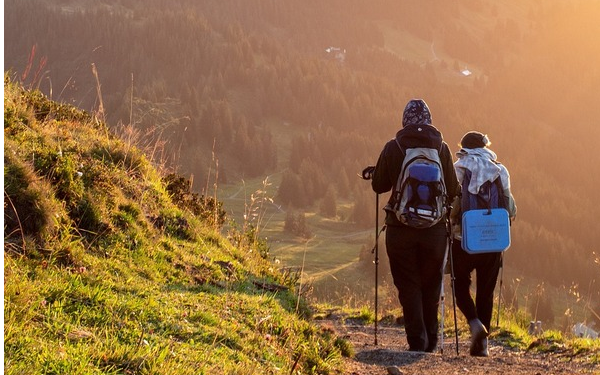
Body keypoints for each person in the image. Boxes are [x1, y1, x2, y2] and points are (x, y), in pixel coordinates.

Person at [370, 99, 459, 352]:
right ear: (429, 120)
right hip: (435, 232)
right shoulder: (441, 149)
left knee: (408, 284)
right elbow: (452, 190)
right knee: (431, 284)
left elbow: (379, 186)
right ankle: (431, 342)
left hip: (400, 229)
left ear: (405, 120)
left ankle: (417, 341)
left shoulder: (395, 146)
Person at [450, 131, 517, 357]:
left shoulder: (457, 168)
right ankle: (483, 347)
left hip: (464, 240)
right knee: (485, 292)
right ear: (485, 146)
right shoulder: (499, 170)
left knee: (459, 285)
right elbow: (511, 209)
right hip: (493, 240)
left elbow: (449, 206)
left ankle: (474, 322)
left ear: (464, 147)